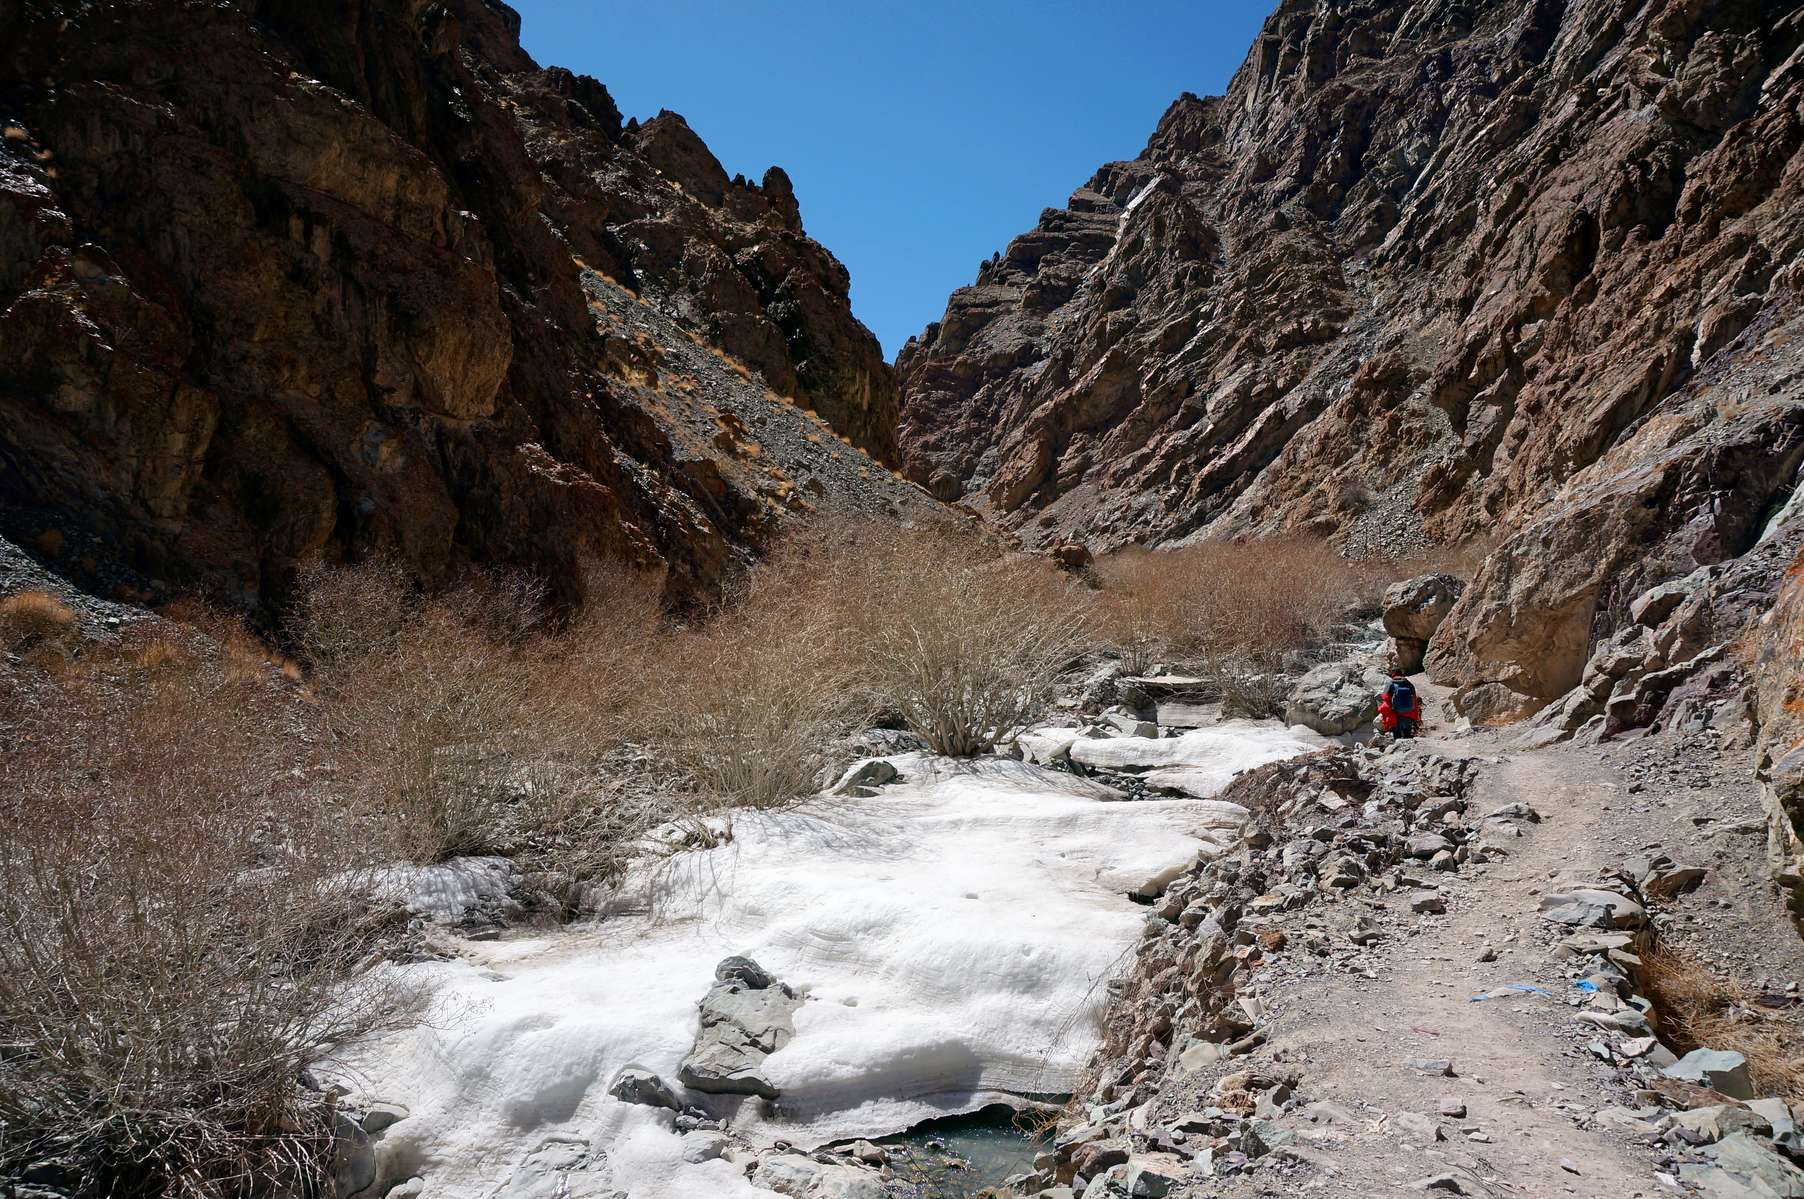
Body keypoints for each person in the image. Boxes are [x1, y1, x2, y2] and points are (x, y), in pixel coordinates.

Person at [1379, 669, 1423, 739]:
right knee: (1408, 736)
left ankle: (1398, 747)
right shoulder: (1409, 684)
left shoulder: (1390, 683)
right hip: (1408, 713)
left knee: (1397, 736)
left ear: (1393, 674)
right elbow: (1414, 699)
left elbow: (1385, 698)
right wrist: (1415, 715)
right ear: (1401, 674)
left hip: (1396, 713)